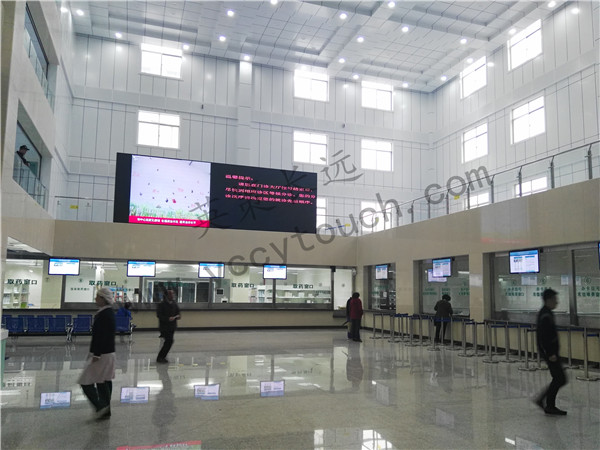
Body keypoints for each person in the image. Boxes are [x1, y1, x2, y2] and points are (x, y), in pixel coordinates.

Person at [78, 287, 116, 420]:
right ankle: (106, 409)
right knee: (104, 380)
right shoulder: (107, 313)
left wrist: (96, 354)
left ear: (103, 299)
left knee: (85, 381)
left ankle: (101, 406)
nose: (95, 299)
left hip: (102, 354)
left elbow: (102, 336)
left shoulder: (105, 314)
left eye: (97, 297)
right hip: (107, 353)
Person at [534, 288, 568, 415]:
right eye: (555, 299)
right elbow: (544, 337)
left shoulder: (546, 313)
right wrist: (550, 354)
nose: (557, 302)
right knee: (560, 378)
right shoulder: (545, 315)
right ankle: (547, 404)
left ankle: (546, 403)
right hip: (550, 353)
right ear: (548, 300)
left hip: (551, 352)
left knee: (559, 378)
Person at [156, 289, 181, 363]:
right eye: (170, 294)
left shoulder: (174, 304)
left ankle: (162, 357)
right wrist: (167, 318)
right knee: (169, 341)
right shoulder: (162, 304)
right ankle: (160, 357)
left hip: (172, 326)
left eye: (173, 294)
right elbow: (159, 315)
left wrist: (178, 316)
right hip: (164, 327)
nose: (172, 295)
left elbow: (178, 312)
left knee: (169, 341)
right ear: (167, 295)